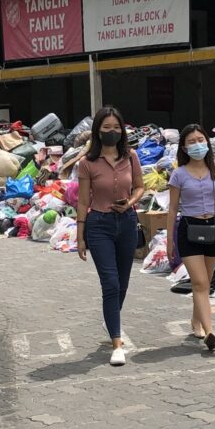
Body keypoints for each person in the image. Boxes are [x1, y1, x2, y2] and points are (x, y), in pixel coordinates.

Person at [76, 106, 145, 366]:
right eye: (106, 128)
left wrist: (130, 202)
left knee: (123, 283)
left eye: (116, 127)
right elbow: (83, 202)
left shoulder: (131, 156)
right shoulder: (87, 163)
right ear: (97, 131)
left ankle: (111, 320)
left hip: (126, 222)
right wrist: (80, 236)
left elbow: (140, 186)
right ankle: (117, 342)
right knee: (111, 283)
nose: (112, 132)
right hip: (99, 225)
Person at [166, 123, 215, 351]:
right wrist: (169, 241)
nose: (197, 145)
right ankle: (210, 331)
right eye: (191, 141)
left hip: (213, 228)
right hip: (188, 229)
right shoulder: (178, 174)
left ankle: (196, 320)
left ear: (207, 143)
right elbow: (172, 210)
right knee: (199, 282)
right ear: (184, 146)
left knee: (204, 283)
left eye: (201, 140)